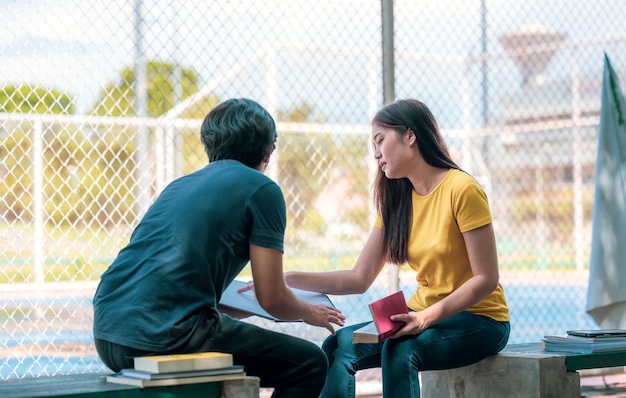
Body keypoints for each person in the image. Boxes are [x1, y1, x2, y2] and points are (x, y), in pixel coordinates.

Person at [92, 97, 345, 398]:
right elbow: (273, 298)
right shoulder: (263, 190)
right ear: (268, 152)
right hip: (164, 337)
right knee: (310, 362)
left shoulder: (178, 186)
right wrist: (309, 313)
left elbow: (168, 280)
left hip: (108, 332)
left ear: (209, 145)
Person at [279, 99, 510, 397]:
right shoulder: (398, 202)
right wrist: (286, 278)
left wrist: (424, 318)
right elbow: (358, 278)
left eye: (380, 140)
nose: (375, 153)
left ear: (410, 136)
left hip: (481, 319)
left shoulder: (462, 189)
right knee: (337, 346)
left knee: (400, 348)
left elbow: (486, 278)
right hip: (421, 312)